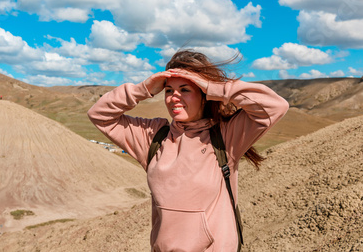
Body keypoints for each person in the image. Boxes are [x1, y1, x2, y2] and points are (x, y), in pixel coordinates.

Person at [87, 50, 289, 252]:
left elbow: (275, 107)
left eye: (185, 89)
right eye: (168, 91)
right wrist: (143, 89)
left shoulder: (226, 136)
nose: (174, 97)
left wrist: (213, 87)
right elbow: (99, 115)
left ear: (203, 96)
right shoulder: (153, 137)